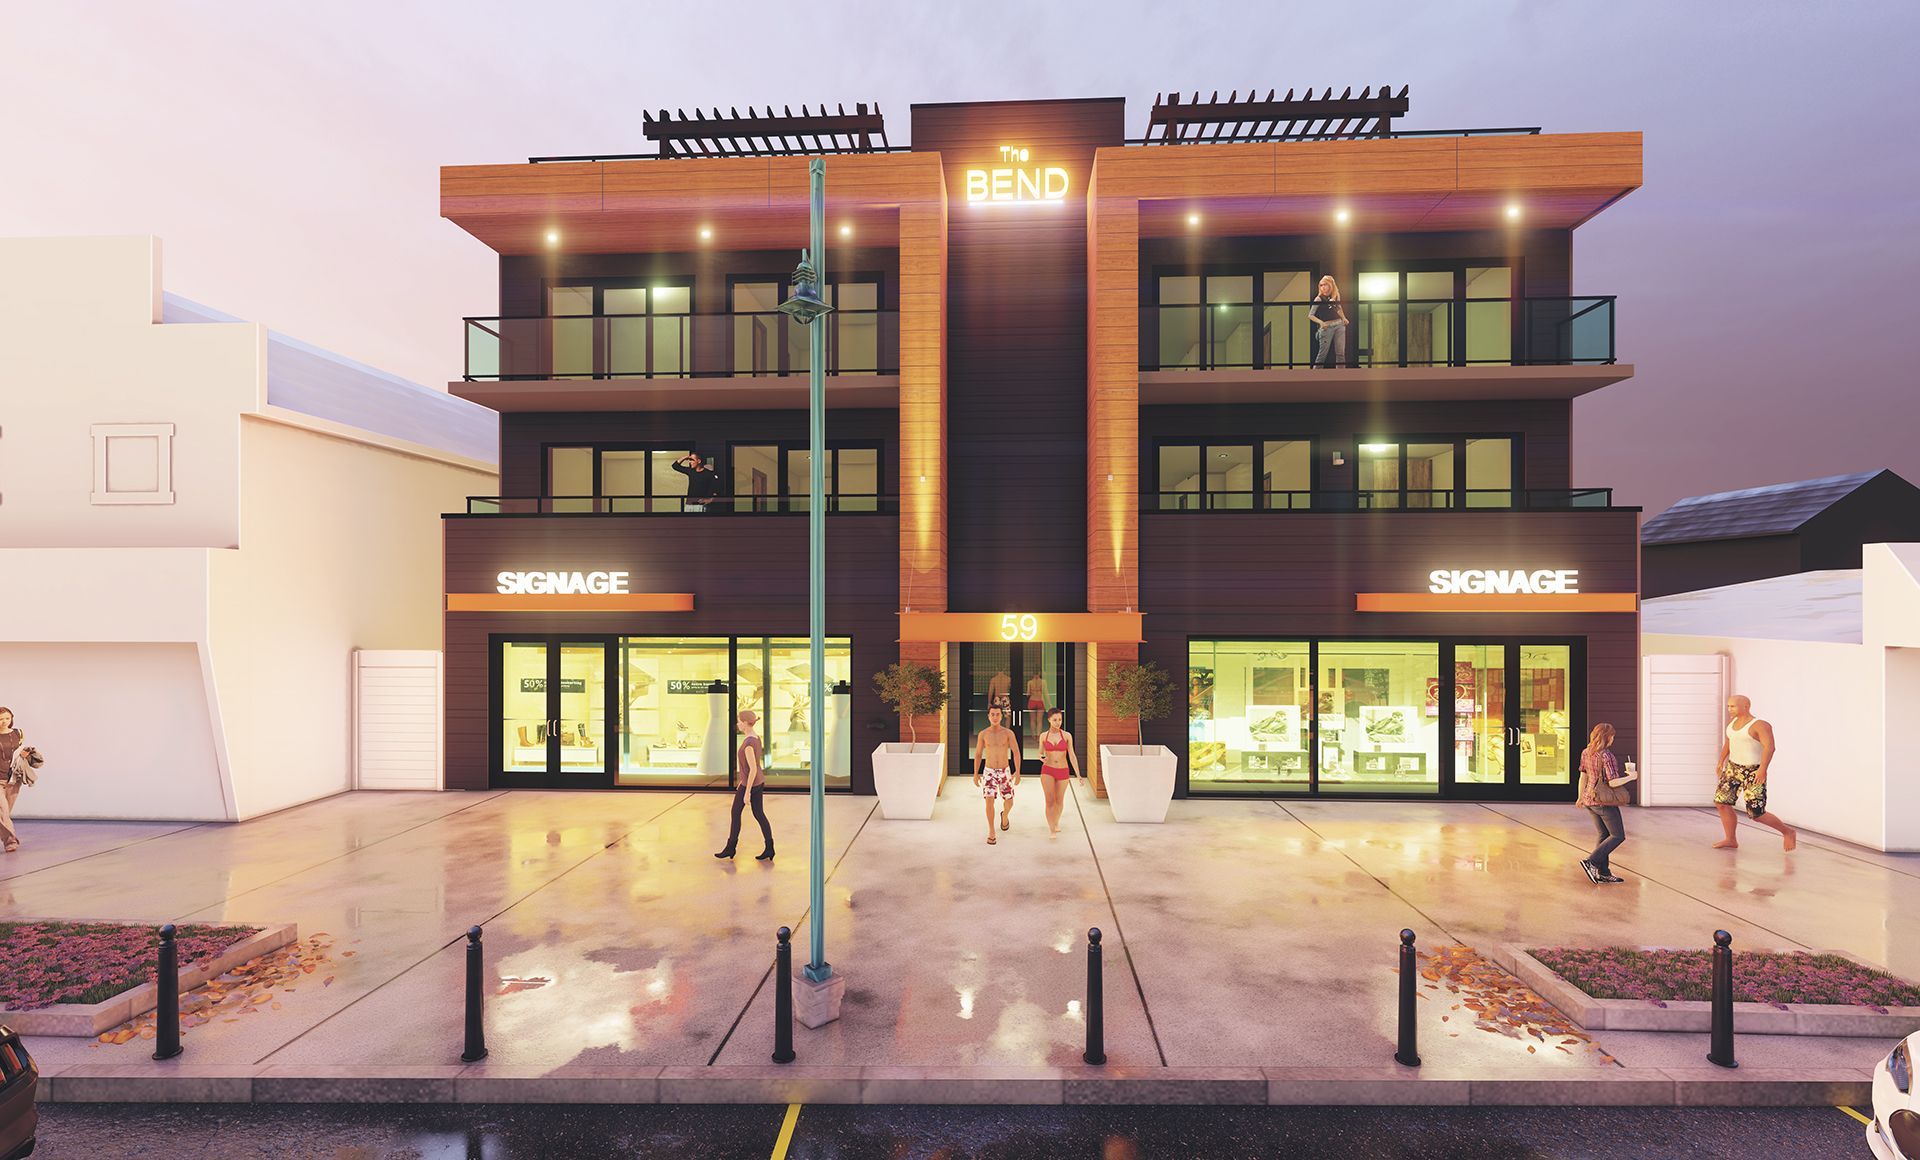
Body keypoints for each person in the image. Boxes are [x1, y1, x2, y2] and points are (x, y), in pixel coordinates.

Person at [1712, 695, 1797, 851]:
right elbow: (1730, 741)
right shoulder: (1732, 724)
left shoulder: (1760, 725)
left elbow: (1769, 747)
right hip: (1733, 768)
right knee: (1722, 803)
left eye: (1733, 706)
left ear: (1746, 706)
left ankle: (1788, 832)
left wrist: (1762, 769)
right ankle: (1731, 839)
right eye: (1729, 706)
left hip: (1753, 771)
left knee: (1756, 813)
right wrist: (1721, 761)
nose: (1730, 709)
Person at [715, 710, 775, 861]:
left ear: (746, 723)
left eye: (739, 721)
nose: (737, 724)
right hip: (756, 782)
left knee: (736, 813)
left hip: (752, 783)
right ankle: (769, 848)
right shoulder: (755, 737)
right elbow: (751, 767)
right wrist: (743, 781)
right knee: (759, 814)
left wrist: (747, 791)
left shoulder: (748, 743)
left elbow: (753, 768)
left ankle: (731, 848)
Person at [1575, 722, 1630, 884]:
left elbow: (1583, 776)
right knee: (1618, 835)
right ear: (1607, 737)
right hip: (1603, 801)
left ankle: (1603, 872)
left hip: (1589, 800)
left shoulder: (1586, 752)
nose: (1613, 739)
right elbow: (1612, 783)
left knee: (1604, 835)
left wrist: (1580, 797)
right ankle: (1591, 861)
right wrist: (1631, 777)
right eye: (1612, 736)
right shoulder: (1607, 756)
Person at [973, 705, 1019, 845]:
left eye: (997, 714)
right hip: (989, 772)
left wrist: (1017, 771)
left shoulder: (1008, 733)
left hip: (1005, 771)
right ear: (988, 716)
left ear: (1001, 716)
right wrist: (976, 773)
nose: (995, 717)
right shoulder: (983, 734)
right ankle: (991, 831)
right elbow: (978, 754)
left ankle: (1004, 815)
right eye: (992, 714)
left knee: (1009, 802)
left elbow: (1016, 752)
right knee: (989, 800)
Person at [1037, 707, 1081, 837]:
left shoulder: (1067, 736)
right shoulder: (1044, 736)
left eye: (1060, 719)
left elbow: (1072, 755)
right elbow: (1040, 752)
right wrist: (1040, 756)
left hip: (1063, 770)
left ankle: (1056, 822)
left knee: (1059, 800)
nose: (1058, 722)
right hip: (1047, 770)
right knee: (1049, 800)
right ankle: (1051, 829)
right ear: (1049, 720)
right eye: (1055, 720)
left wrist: (1078, 774)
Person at [1309, 275, 1348, 368]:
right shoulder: (1318, 299)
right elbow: (1310, 315)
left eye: (1325, 285)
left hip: (1339, 325)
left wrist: (1344, 318)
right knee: (1322, 354)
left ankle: (1341, 375)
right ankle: (1315, 376)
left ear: (1330, 285)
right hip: (1327, 327)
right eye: (1321, 285)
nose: (1323, 287)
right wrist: (1321, 323)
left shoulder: (1335, 296)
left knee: (1340, 352)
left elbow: (1338, 308)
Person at [0, 707, 24, 853]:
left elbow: (16, 753)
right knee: (2, 811)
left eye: (7, 718)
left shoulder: (18, 733)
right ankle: (10, 841)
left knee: (5, 813)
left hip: (12, 779)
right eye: (1, 719)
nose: (4, 722)